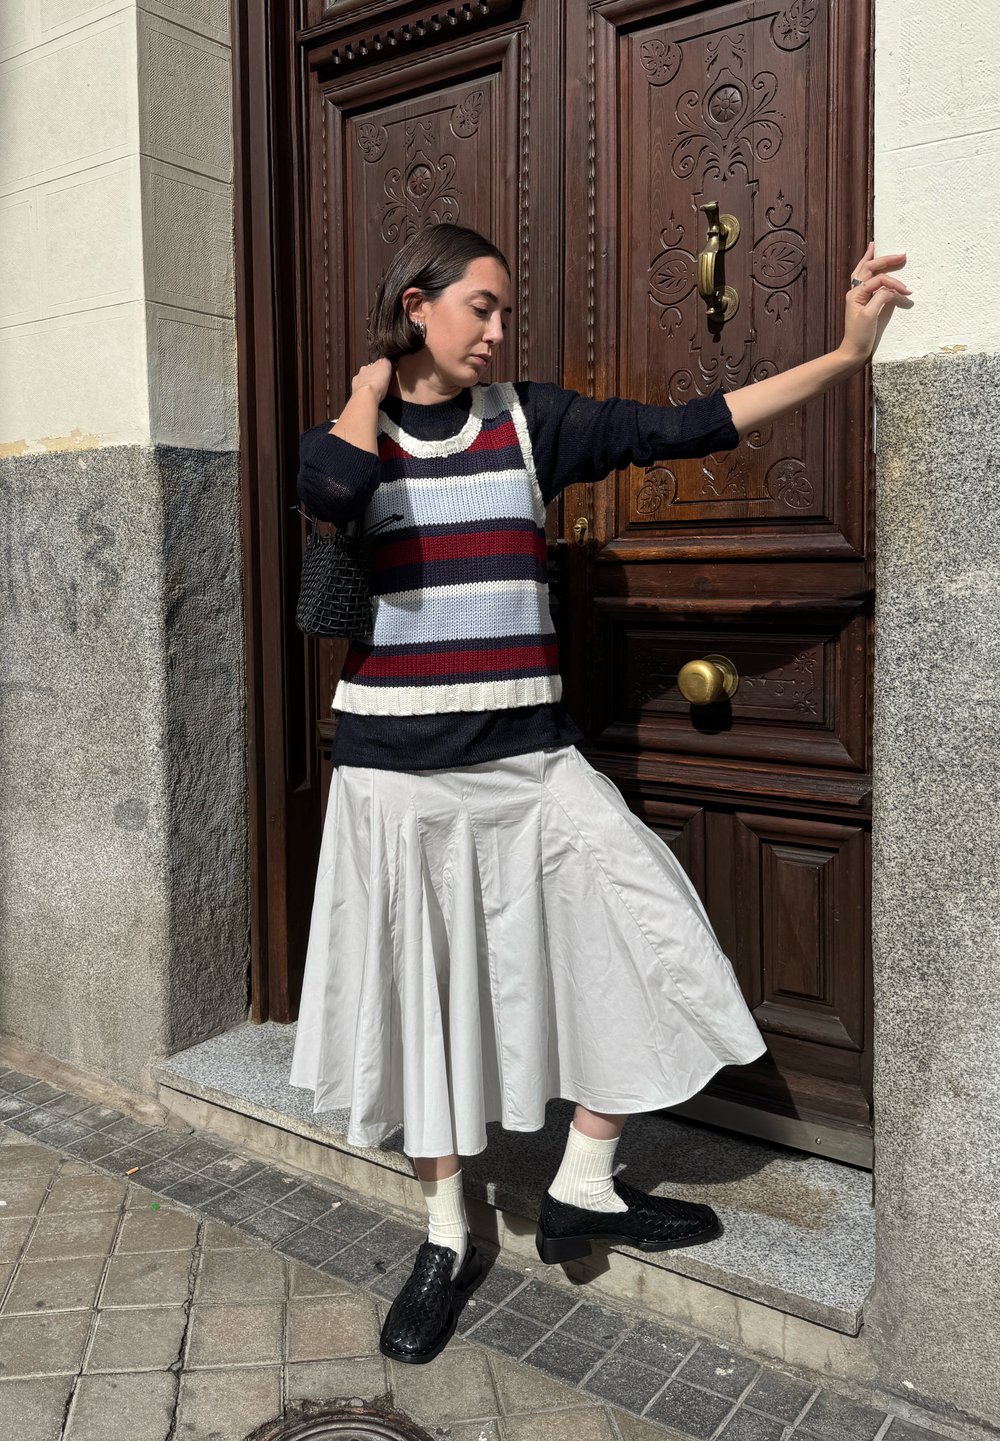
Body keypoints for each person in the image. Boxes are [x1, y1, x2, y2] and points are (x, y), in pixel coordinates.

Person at [288, 222, 909, 1365]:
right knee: (428, 1007)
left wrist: (843, 356)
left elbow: (690, 426)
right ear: (417, 304)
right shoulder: (357, 438)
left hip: (531, 766)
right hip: (397, 781)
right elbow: (325, 487)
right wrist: (373, 382)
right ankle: (443, 1231)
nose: (496, 327)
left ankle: (582, 1184)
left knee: (650, 931)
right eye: (478, 305)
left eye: (502, 309)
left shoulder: (534, 421)